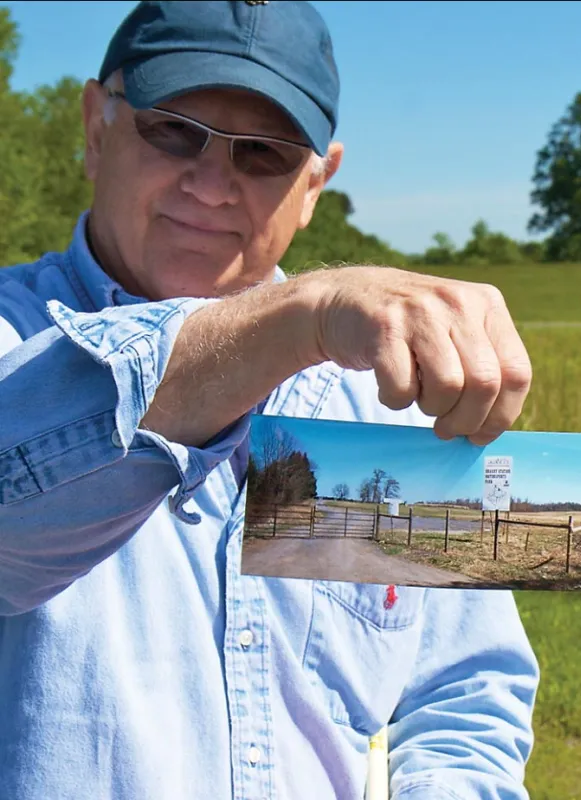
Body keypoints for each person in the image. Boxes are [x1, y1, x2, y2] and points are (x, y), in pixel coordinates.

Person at [0, 2, 538, 799]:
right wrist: (293, 324)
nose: (212, 185)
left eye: (264, 154)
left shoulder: (388, 397)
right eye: (173, 130)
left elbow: (464, 690)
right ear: (95, 125)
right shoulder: (14, 343)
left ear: (316, 183)